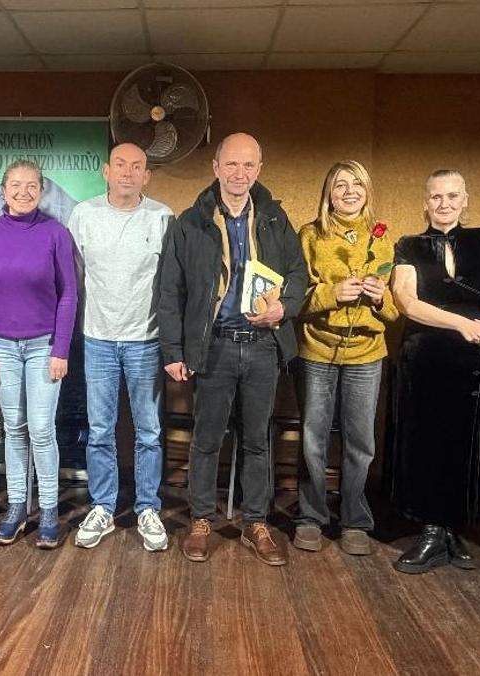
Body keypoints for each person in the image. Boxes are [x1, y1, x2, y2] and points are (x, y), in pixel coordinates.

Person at [159, 132, 307, 566]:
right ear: (216, 168)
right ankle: (201, 520)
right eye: (232, 164)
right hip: (215, 347)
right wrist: (173, 351)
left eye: (248, 165)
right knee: (206, 439)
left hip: (263, 348)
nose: (239, 173)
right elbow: (171, 290)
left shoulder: (276, 218)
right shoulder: (191, 222)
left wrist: (284, 306)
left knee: (258, 440)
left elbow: (298, 273)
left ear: (258, 170)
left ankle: (256, 523)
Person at [388, 169, 480, 574]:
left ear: (465, 200)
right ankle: (431, 530)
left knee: (466, 445)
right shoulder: (408, 245)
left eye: (453, 196)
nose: (444, 204)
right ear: (426, 202)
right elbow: (406, 301)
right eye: (436, 196)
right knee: (426, 443)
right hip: (425, 358)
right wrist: (461, 324)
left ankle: (453, 529)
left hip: (476, 361)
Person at [68, 143, 174, 552]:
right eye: (120, 164)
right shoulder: (84, 215)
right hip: (97, 339)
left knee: (149, 431)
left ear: (147, 175)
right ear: (105, 171)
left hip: (146, 340)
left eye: (137, 167)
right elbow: (71, 275)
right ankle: (103, 507)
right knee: (99, 430)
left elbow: (172, 283)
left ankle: (148, 507)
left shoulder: (162, 216)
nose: (127, 172)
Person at [0, 159, 77, 549]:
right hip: (0, 346)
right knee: (14, 427)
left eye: (32, 185)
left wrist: (61, 348)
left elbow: (69, 295)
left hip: (44, 345)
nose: (23, 192)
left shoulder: (55, 233)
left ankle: (47, 510)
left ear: (41, 190)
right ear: (3, 190)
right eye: (15, 185)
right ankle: (16, 507)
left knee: (41, 429)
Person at [293, 160, 399, 557]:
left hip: (366, 353)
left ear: (367, 191)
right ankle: (311, 515)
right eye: (340, 185)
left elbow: (394, 310)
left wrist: (380, 298)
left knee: (360, 441)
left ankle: (355, 518)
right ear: (329, 194)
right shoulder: (310, 235)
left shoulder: (382, 238)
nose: (350, 191)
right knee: (313, 438)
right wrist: (330, 294)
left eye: (357, 184)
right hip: (317, 348)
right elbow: (293, 298)